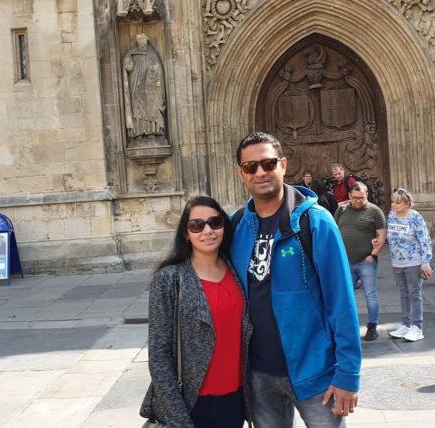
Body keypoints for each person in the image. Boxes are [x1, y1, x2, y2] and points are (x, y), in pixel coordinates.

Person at [229, 132, 360, 427]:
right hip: (258, 376)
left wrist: (348, 374)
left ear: (283, 165)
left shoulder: (315, 222)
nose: (260, 172)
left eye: (268, 163)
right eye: (251, 167)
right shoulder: (236, 226)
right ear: (241, 173)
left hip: (315, 373)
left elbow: (342, 301)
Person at [140, 196, 249, 428]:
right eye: (197, 225)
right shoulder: (169, 279)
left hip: (234, 401)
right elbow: (159, 356)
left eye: (215, 222)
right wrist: (179, 419)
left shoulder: (236, 269)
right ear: (186, 234)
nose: (207, 230)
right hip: (190, 405)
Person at [335, 182, 386, 341]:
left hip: (366, 261)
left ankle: (372, 326)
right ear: (350, 196)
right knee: (345, 295)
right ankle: (347, 327)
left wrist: (373, 254)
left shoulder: (374, 211)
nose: (358, 201)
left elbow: (382, 234)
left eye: (362, 198)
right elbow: (335, 230)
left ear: (367, 196)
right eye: (355, 198)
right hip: (345, 262)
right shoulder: (341, 210)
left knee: (370, 294)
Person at [385, 188, 433, 342]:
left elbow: (424, 240)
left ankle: (417, 327)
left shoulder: (415, 217)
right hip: (397, 261)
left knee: (414, 293)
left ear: (406, 203)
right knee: (403, 293)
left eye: (397, 203)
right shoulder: (391, 216)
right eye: (392, 202)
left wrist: (425, 262)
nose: (393, 205)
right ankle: (406, 324)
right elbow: (389, 235)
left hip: (413, 261)